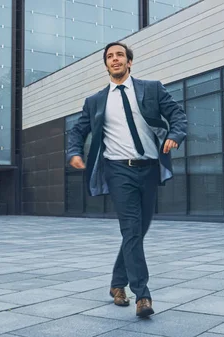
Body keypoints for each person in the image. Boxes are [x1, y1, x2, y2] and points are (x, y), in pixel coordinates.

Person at [66, 42, 187, 317]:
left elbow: (177, 116)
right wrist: (74, 152)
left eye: (119, 55)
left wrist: (174, 136)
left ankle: (116, 284)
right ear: (106, 65)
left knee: (138, 230)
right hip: (117, 169)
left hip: (148, 168)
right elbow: (78, 131)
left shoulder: (152, 88)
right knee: (131, 229)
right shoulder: (95, 101)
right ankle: (142, 295)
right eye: (110, 57)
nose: (115, 59)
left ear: (129, 62)